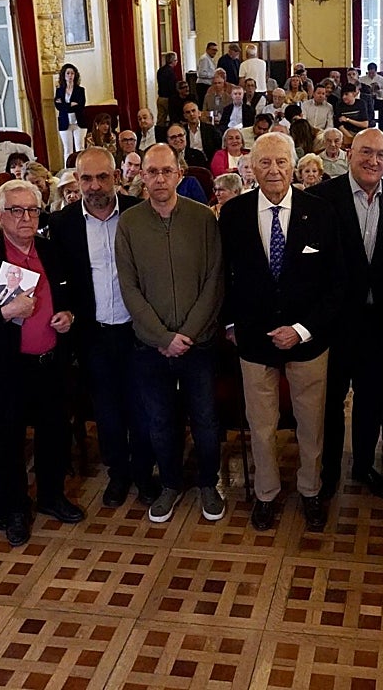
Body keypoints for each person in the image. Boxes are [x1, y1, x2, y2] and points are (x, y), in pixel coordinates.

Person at [219, 133, 344, 531]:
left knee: (312, 425)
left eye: (281, 162)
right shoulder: (234, 213)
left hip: (308, 342)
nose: (274, 170)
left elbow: (336, 284)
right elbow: (225, 276)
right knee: (262, 426)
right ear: (251, 168)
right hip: (254, 340)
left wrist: (302, 330)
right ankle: (267, 494)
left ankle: (310, 491)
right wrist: (232, 324)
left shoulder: (320, 212)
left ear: (294, 165)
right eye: (265, 163)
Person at [0, 180, 80, 546]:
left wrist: (69, 315)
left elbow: (71, 293)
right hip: (6, 367)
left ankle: (51, 496)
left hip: (50, 361)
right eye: (16, 210)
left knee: (54, 432)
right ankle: (14, 508)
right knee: (7, 440)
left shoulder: (51, 250)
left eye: (32, 210)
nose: (26, 217)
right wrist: (5, 313)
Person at [115, 144, 225, 524]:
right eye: (151, 172)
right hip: (151, 346)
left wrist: (188, 334)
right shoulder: (129, 223)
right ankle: (171, 486)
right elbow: (128, 287)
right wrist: (163, 337)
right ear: (141, 176)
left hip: (199, 343)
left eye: (166, 171)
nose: (159, 179)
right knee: (159, 421)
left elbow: (215, 280)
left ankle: (209, 483)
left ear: (180, 173)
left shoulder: (203, 219)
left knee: (206, 419)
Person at [310, 129, 383, 498]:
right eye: (366, 153)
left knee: (371, 400)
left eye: (381, 155)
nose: (373, 161)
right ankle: (327, 472)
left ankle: (362, 465)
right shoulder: (320, 199)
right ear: (349, 154)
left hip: (381, 324)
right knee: (330, 401)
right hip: (335, 323)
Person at [48, 148, 156, 509]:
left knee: (142, 407)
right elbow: (60, 281)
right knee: (107, 410)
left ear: (117, 177)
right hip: (93, 333)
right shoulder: (62, 225)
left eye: (102, 177)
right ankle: (118, 474)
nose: (94, 186)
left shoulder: (139, 214)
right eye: (86, 179)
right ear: (76, 181)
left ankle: (144, 474)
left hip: (138, 330)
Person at [54, 64, 86, 159]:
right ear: (64, 75)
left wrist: (65, 105)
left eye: (72, 73)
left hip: (79, 122)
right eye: (68, 73)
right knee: (67, 149)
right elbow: (58, 106)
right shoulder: (59, 90)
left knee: (80, 148)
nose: (70, 75)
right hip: (65, 122)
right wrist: (70, 105)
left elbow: (81, 105)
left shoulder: (80, 90)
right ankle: (68, 170)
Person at [363, 62, 383, 130]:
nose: (371, 75)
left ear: (376, 71)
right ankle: (367, 125)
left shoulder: (381, 79)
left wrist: (378, 90)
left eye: (373, 73)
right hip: (366, 100)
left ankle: (382, 127)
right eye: (370, 73)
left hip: (377, 99)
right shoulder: (362, 79)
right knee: (363, 106)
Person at [155, 52, 178, 123]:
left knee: (160, 120)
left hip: (160, 98)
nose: (177, 62)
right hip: (168, 99)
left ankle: (159, 133)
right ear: (173, 61)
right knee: (173, 117)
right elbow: (172, 87)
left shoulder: (160, 70)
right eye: (176, 60)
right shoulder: (171, 72)